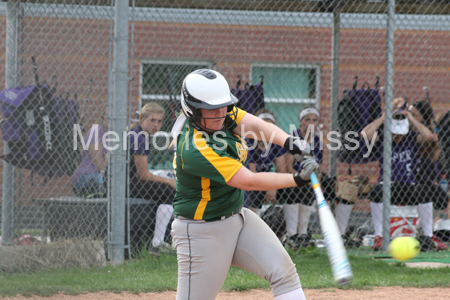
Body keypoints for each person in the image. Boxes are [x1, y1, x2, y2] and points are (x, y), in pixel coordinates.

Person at [170, 69, 318, 300]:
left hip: (237, 218)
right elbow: (247, 180)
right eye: (212, 108)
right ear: (192, 109)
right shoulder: (194, 147)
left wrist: (291, 143)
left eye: (224, 106)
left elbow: (255, 125)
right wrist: (297, 179)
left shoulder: (221, 114)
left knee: (284, 273)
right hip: (202, 232)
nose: (221, 112)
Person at [361, 105, 448, 251]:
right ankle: (379, 236)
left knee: (425, 191)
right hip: (387, 184)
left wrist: (411, 118)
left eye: (401, 133)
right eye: (395, 133)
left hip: (408, 185)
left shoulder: (412, 137)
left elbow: (429, 136)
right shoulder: (383, 137)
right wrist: (383, 117)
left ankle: (428, 236)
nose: (398, 136)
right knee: (376, 191)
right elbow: (365, 134)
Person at [279, 105, 332, 249]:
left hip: (308, 180)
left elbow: (318, 167)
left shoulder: (317, 141)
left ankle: (302, 234)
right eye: (307, 119)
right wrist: (302, 179)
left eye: (314, 120)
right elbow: (288, 167)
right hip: (293, 177)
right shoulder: (293, 137)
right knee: (294, 190)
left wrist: (316, 184)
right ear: (301, 121)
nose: (311, 123)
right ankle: (291, 234)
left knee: (312, 191)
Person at [128, 102, 176, 254]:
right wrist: (168, 180)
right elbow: (143, 175)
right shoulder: (140, 137)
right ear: (142, 119)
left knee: (167, 187)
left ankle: (170, 240)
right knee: (170, 191)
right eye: (152, 120)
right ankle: (157, 244)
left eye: (159, 121)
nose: (156, 124)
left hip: (131, 181)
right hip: (127, 184)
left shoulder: (139, 133)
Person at [409, 100, 448, 237]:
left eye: (414, 114)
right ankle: (421, 230)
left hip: (423, 178)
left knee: (441, 197)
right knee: (424, 191)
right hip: (406, 179)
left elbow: (433, 158)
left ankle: (421, 229)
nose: (410, 117)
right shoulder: (402, 132)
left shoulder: (426, 132)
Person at [246, 109, 287, 217]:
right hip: (250, 183)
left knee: (292, 187)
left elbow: (282, 171)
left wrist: (273, 188)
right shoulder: (248, 142)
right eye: (262, 126)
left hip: (267, 182)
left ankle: (293, 232)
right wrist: (268, 187)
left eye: (269, 127)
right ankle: (254, 219)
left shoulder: (276, 142)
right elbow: (252, 175)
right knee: (255, 193)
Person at [72, 112, 107, 198]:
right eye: (109, 116)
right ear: (103, 119)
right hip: (87, 176)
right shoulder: (97, 130)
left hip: (100, 177)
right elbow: (98, 162)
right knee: (106, 181)